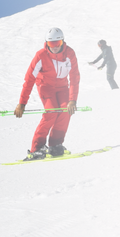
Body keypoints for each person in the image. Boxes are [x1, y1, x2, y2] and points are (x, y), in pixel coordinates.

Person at [14, 27, 80, 161]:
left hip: (62, 87)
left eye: (57, 43)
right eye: (51, 44)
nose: (54, 47)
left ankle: (55, 144)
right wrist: (22, 103)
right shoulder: (41, 56)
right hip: (46, 87)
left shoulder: (70, 54)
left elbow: (74, 77)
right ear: (47, 43)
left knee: (65, 111)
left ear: (62, 42)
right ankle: (36, 148)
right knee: (51, 112)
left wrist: (72, 100)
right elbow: (29, 80)